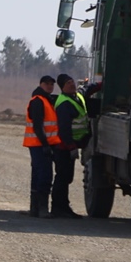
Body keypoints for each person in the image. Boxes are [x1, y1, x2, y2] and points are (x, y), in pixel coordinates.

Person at [49, 73, 89, 219]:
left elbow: (87, 90)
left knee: (66, 177)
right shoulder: (64, 103)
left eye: (72, 81)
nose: (72, 84)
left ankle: (63, 207)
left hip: (69, 146)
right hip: (62, 147)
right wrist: (71, 147)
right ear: (62, 87)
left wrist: (97, 84)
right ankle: (58, 208)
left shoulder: (77, 96)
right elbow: (64, 128)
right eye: (68, 83)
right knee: (62, 177)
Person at [25, 74, 64, 217]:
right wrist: (45, 144)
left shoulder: (47, 100)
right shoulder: (38, 101)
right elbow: (37, 126)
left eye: (51, 84)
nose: (50, 86)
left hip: (41, 144)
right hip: (39, 144)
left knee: (38, 174)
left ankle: (35, 208)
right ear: (41, 84)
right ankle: (41, 209)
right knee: (44, 175)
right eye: (47, 84)